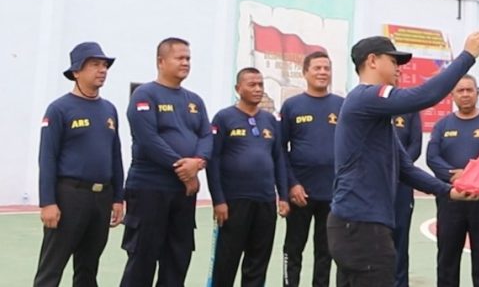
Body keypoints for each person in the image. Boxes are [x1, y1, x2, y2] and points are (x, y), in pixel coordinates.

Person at [328, 32, 479, 287]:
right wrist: (467, 56)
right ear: (372, 61)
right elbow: (423, 96)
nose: (398, 69)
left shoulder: (376, 117)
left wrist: (448, 191)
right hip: (361, 226)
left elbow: (404, 167)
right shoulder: (364, 96)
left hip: (359, 225)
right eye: (393, 61)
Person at [120, 37, 213, 287]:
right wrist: (184, 168)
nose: (185, 63)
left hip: (183, 192)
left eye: (188, 58)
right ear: (161, 61)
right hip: (150, 188)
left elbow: (206, 135)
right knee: (143, 257)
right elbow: (148, 139)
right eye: (179, 58)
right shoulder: (145, 95)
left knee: (178, 257)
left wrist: (199, 161)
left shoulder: (195, 100)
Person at [34, 42, 125, 287]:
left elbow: (115, 155)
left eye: (105, 65)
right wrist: (48, 202)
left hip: (101, 199)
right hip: (69, 196)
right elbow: (47, 157)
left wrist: (118, 197)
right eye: (95, 64)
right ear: (76, 72)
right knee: (52, 267)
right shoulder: (59, 109)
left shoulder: (109, 110)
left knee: (88, 268)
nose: (102, 70)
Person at [207, 67, 290, 286]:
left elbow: (279, 158)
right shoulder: (224, 118)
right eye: (251, 84)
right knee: (227, 261)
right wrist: (219, 200)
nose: (257, 89)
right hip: (234, 202)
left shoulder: (270, 120)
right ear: (238, 88)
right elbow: (213, 160)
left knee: (258, 262)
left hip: (264, 201)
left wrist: (282, 195)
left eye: (260, 84)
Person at [427, 75, 479, 287]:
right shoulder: (443, 125)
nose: (465, 95)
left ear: (477, 93)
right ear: (452, 95)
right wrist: (454, 175)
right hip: (451, 199)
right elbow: (432, 157)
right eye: (460, 91)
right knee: (447, 256)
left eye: (469, 90)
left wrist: (471, 174)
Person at [280, 51, 344, 287]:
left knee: (326, 252)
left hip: (333, 194)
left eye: (326, 68)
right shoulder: (292, 106)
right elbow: (280, 149)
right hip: (300, 194)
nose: (322, 73)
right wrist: (291, 184)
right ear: (305, 72)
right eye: (317, 68)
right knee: (294, 249)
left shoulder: (341, 105)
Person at [392, 107, 422, 287]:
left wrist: (398, 168)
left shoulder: (408, 109)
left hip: (402, 185)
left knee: (400, 240)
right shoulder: (368, 104)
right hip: (374, 184)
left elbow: (416, 145)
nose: (396, 75)